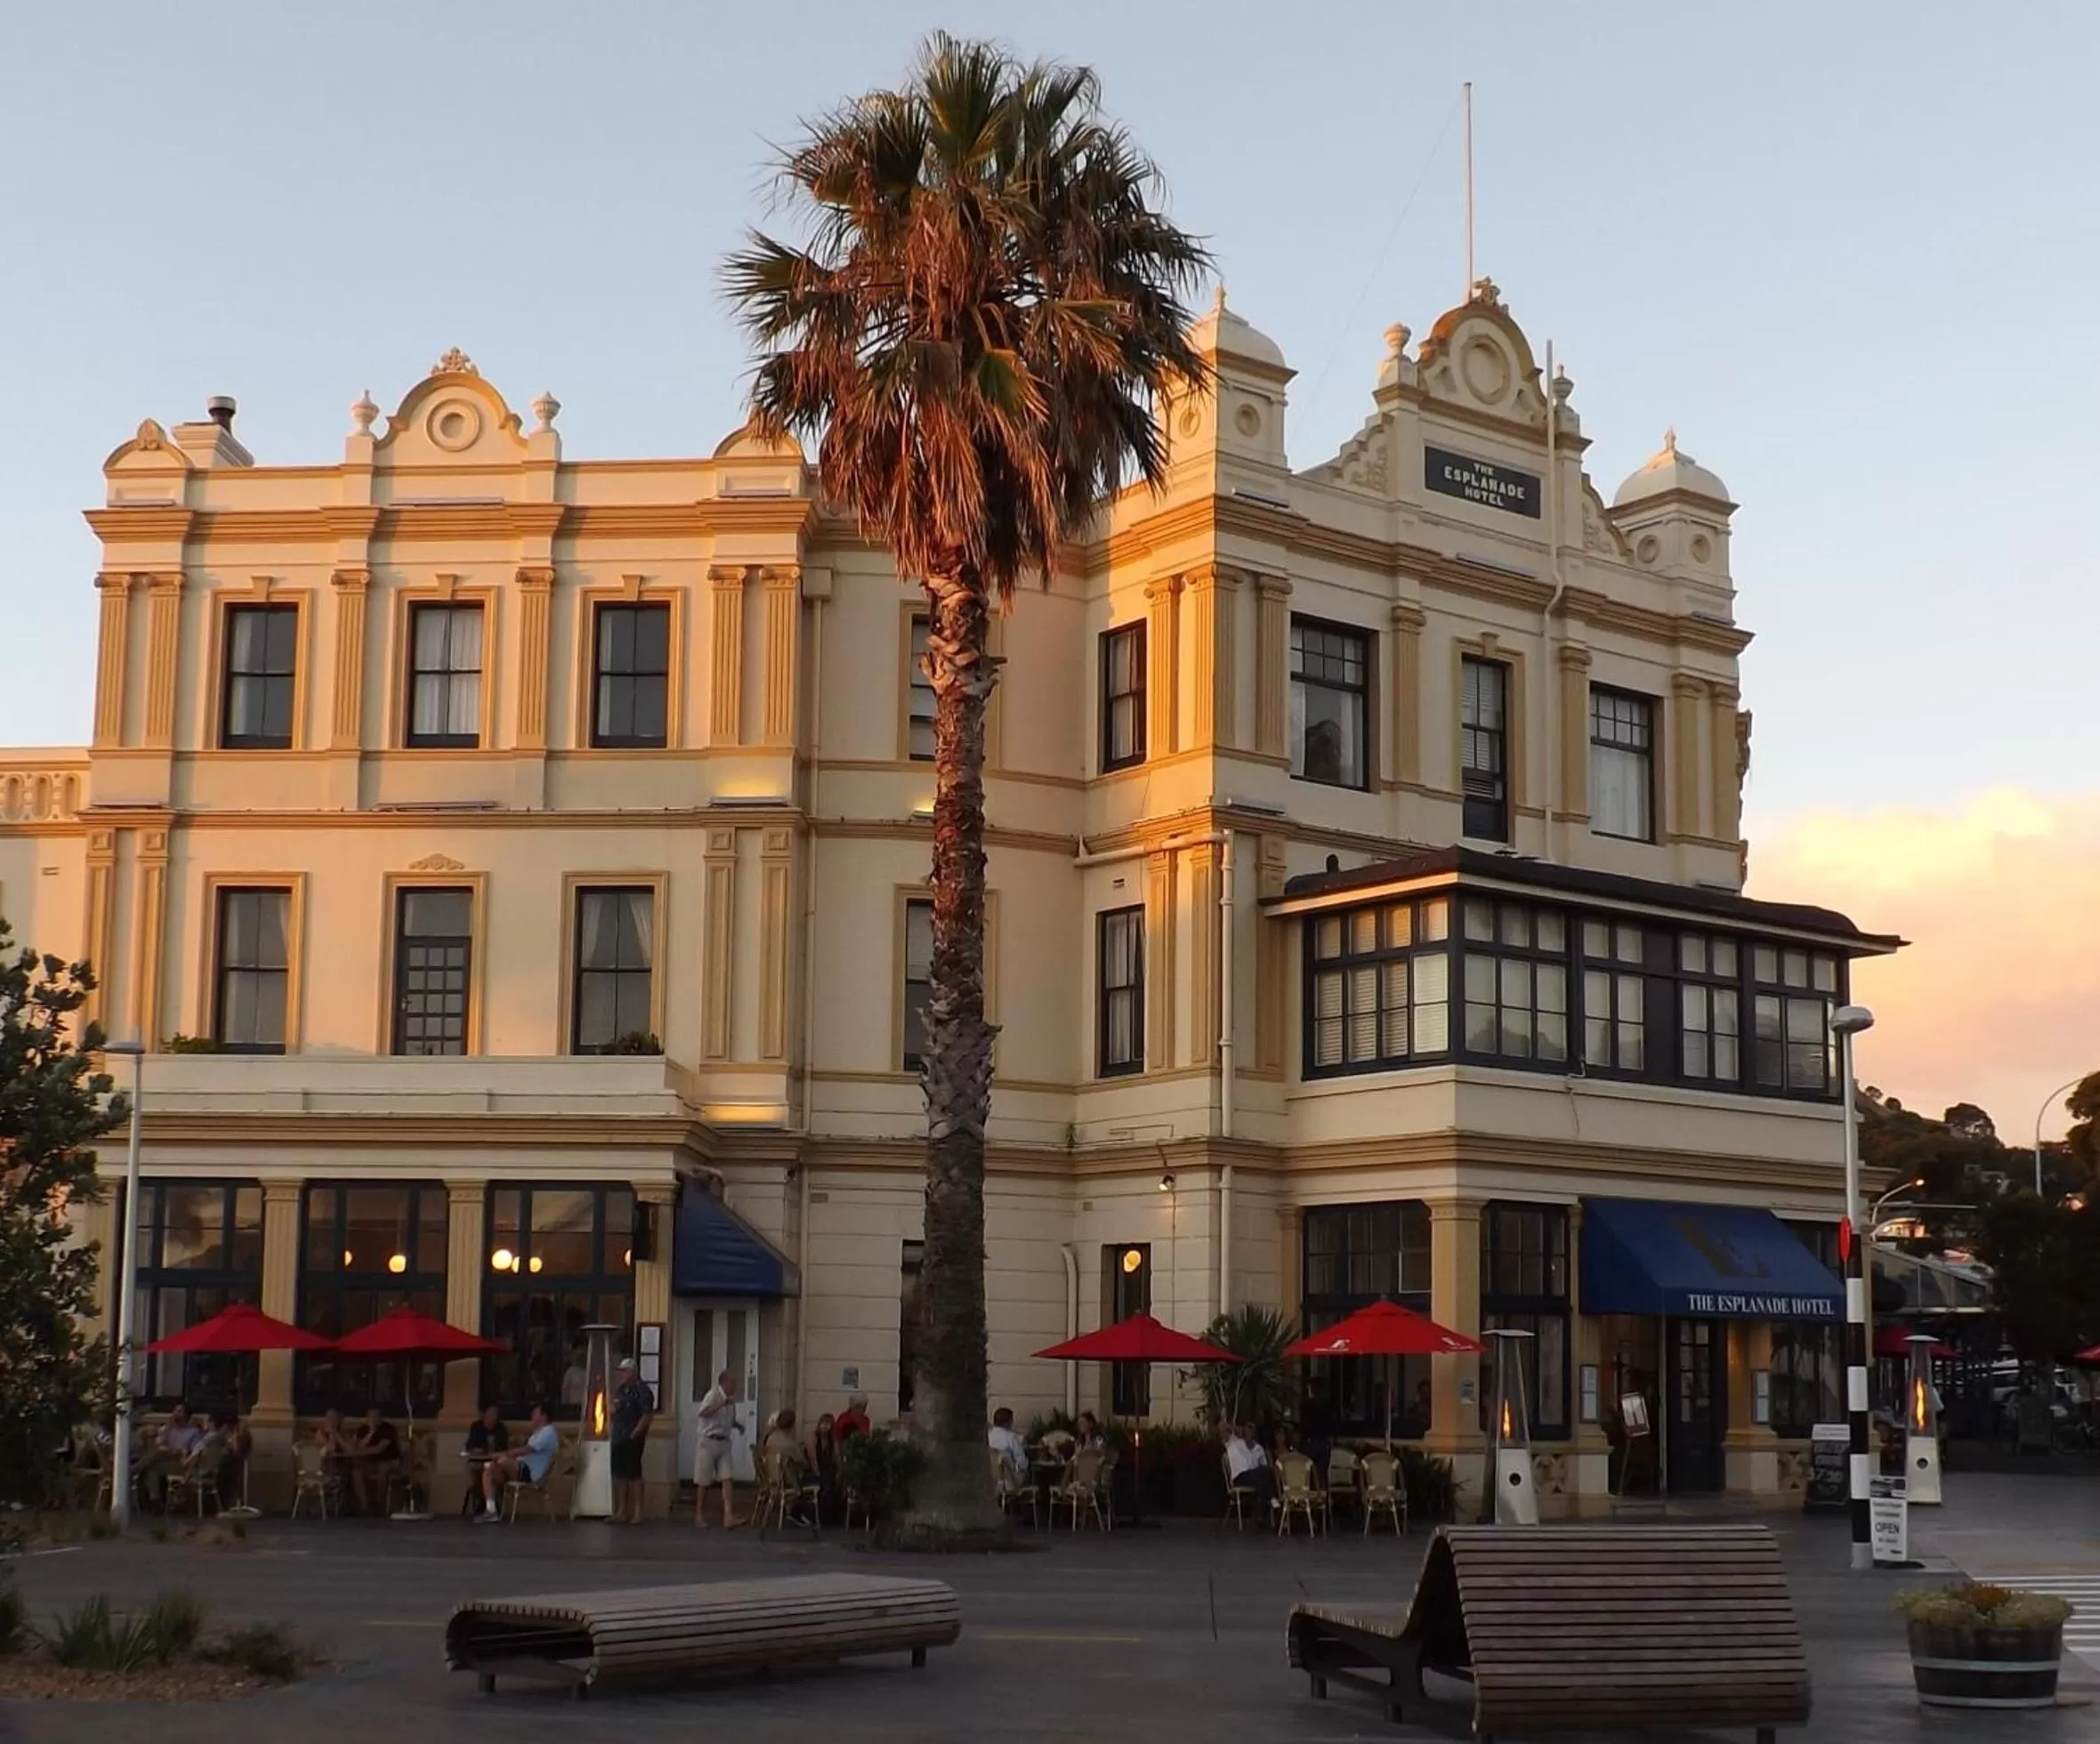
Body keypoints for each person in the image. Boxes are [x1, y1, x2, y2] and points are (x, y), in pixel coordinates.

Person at [476, 1403, 558, 1521]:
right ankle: (491, 1510)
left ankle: (495, 1464)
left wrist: (503, 1454)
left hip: (531, 1473)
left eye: (535, 1413)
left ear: (543, 1416)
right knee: (488, 1473)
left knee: (501, 1461)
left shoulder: (548, 1432)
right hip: (520, 1468)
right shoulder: (537, 1433)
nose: (532, 1416)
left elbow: (527, 1450)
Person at [693, 1367, 740, 1528]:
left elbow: (729, 1420)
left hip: (724, 1442)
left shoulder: (731, 1401)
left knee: (727, 1478)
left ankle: (728, 1516)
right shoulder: (713, 1395)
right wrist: (721, 1404)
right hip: (708, 1441)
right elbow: (703, 1412)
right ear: (724, 1382)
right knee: (703, 1480)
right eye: (733, 1382)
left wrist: (738, 1426)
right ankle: (699, 1515)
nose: (735, 1386)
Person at [610, 1357, 654, 1524]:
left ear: (633, 1373)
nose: (621, 1375)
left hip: (633, 1437)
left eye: (624, 1371)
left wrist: (635, 1434)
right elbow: (614, 1409)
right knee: (620, 1474)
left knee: (634, 1474)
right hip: (619, 1436)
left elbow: (647, 1415)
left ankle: (638, 1511)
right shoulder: (620, 1390)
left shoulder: (643, 1391)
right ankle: (622, 1510)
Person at [140, 1402, 204, 1509]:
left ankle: (130, 1471)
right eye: (175, 1411)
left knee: (151, 1466)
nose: (176, 1414)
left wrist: (181, 1454)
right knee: (152, 1464)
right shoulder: (169, 1428)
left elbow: (194, 1452)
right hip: (165, 1458)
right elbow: (158, 1444)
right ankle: (155, 1501)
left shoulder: (193, 1432)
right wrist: (169, 1427)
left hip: (180, 1462)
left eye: (179, 1411)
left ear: (186, 1415)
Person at [348, 1405, 403, 1515]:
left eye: (376, 1416)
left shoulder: (388, 1429)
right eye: (371, 1416)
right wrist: (370, 1433)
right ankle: (365, 1506)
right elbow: (354, 1446)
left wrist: (359, 1451)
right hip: (369, 1462)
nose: (374, 1418)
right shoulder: (362, 1430)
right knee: (356, 1472)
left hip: (388, 1460)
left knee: (383, 1469)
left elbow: (378, 1449)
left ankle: (380, 1503)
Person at [1225, 1421, 1273, 1512]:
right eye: (1246, 1430)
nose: (1248, 1433)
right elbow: (1222, 1427)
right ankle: (1272, 1498)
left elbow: (1265, 1468)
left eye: (1251, 1431)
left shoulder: (1259, 1449)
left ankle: (1259, 1514)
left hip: (1255, 1477)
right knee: (1263, 1478)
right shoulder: (1234, 1443)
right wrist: (1235, 1428)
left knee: (1263, 1478)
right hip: (1240, 1477)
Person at [804, 1412, 839, 1520]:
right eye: (823, 1423)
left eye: (828, 1424)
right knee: (826, 1483)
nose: (825, 1426)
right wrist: (817, 1473)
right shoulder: (813, 1437)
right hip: (812, 1472)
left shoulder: (832, 1441)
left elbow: (836, 1458)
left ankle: (829, 1515)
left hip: (827, 1471)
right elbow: (812, 1458)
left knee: (836, 1482)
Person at [988, 1407, 1029, 1487]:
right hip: (1010, 1479)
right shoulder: (1011, 1437)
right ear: (1007, 1422)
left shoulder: (988, 1435)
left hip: (990, 1478)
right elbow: (1021, 1461)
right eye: (1011, 1421)